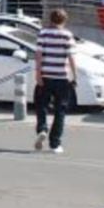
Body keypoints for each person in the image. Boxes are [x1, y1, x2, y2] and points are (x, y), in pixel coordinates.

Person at [34, 9, 77, 154]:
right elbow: (71, 58)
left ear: (50, 20)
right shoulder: (67, 35)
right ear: (64, 21)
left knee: (41, 105)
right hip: (62, 78)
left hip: (45, 76)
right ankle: (55, 144)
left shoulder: (43, 33)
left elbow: (39, 55)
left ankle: (42, 129)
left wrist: (38, 74)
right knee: (60, 110)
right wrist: (74, 76)